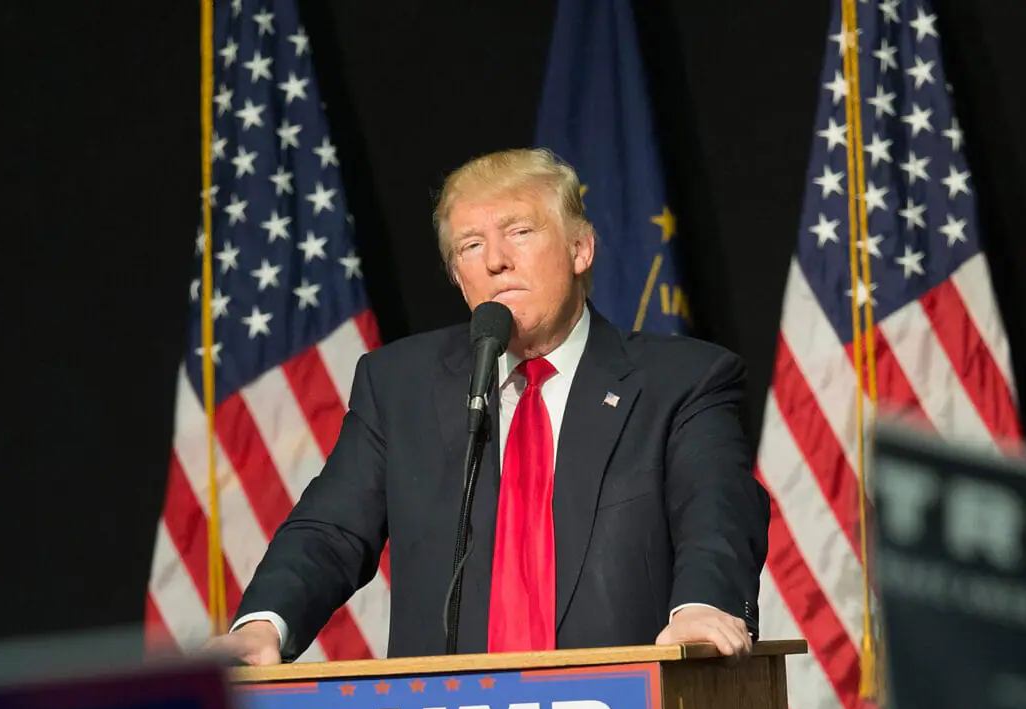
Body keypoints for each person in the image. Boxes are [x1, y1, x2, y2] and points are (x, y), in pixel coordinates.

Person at [209, 147, 768, 666]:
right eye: (471, 246)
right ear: (458, 275)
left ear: (580, 249)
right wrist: (264, 623)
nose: (496, 260)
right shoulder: (398, 383)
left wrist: (703, 606)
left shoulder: (682, 381)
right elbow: (330, 530)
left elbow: (715, 508)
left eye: (520, 231)